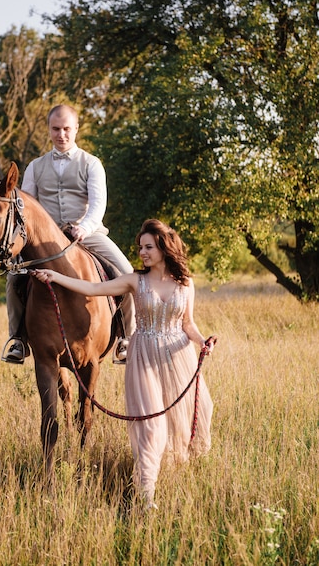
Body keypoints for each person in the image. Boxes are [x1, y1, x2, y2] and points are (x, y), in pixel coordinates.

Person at [31, 218, 215, 510]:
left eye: (148, 247)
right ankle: (146, 494)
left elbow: (188, 323)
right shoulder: (134, 280)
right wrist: (56, 278)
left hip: (178, 355)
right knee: (151, 426)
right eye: (140, 247)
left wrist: (203, 341)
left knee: (196, 412)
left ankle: (186, 481)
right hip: (144, 358)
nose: (142, 252)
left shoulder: (185, 283)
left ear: (164, 248)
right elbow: (91, 288)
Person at [4, 104, 135, 363]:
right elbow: (27, 205)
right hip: (47, 239)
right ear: (49, 130)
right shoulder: (35, 166)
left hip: (87, 232)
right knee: (14, 278)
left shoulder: (92, 164)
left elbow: (98, 204)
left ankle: (124, 338)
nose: (61, 134)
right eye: (56, 129)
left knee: (127, 273)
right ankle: (17, 339)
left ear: (76, 129)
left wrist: (84, 228)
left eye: (66, 129)